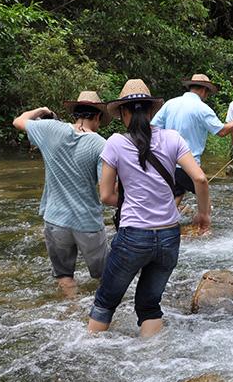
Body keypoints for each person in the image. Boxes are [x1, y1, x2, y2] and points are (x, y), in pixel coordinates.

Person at [88, 79, 210, 337]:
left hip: (133, 235)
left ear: (123, 112)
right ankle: (152, 361)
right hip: (168, 236)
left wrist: (131, 197)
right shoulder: (173, 138)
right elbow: (199, 179)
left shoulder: (115, 143)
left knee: (105, 303)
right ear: (152, 111)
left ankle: (86, 355)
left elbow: (106, 194)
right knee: (149, 306)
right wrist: (203, 214)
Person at [12, 91, 110, 296]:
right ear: (98, 116)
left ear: (75, 113)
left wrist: (42, 110)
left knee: (65, 275)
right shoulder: (102, 144)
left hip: (55, 220)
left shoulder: (49, 129)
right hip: (87, 223)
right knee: (106, 276)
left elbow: (19, 121)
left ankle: (72, 309)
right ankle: (100, 315)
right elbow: (106, 192)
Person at [151, 74, 233, 206]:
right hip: (189, 164)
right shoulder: (202, 108)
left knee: (177, 192)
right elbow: (222, 131)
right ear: (204, 90)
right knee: (205, 198)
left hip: (166, 162)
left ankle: (165, 221)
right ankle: (204, 225)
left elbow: (153, 128)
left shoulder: (170, 103)